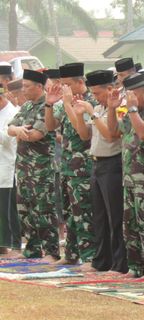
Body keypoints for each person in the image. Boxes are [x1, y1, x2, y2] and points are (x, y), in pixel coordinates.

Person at [73, 69, 128, 273]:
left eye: (97, 93)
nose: (95, 97)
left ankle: (119, 263)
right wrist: (80, 115)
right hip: (97, 163)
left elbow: (111, 135)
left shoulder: (119, 108)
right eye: (93, 93)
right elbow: (84, 134)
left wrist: (92, 112)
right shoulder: (98, 108)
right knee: (99, 216)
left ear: (110, 89)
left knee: (115, 216)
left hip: (113, 163)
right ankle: (101, 261)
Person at [44, 62, 97, 269]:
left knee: (84, 213)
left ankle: (90, 256)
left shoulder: (89, 101)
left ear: (80, 82)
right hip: (67, 165)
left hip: (84, 166)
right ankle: (72, 252)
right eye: (61, 83)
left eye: (67, 84)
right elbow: (50, 127)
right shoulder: (64, 101)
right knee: (69, 213)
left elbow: (84, 136)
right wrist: (49, 104)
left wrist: (67, 105)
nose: (63, 88)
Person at [107, 72, 144, 277]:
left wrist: (132, 109)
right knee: (130, 225)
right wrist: (112, 109)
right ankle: (136, 266)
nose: (129, 98)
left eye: (133, 94)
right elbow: (113, 133)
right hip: (130, 177)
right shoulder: (132, 112)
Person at [7, 69, 60, 261]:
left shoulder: (47, 107)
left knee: (43, 210)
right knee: (25, 209)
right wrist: (19, 130)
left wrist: (20, 132)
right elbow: (10, 128)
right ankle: (31, 249)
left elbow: (37, 134)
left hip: (41, 168)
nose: (23, 90)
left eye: (27, 86)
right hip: (23, 167)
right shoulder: (28, 106)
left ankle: (51, 251)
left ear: (39, 87)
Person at [0, 86, 20, 255]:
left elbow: (8, 138)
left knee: (7, 210)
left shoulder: (12, 114)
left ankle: (12, 244)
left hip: (7, 168)